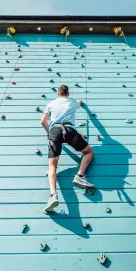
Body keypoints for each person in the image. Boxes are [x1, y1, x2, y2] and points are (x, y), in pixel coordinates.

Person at [41, 84, 94, 212]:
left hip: (55, 131)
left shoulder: (51, 104)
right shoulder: (73, 102)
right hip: (70, 131)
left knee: (52, 167)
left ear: (58, 94)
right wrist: (80, 102)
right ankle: (80, 175)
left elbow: (43, 121)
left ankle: (53, 195)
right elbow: (80, 102)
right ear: (68, 94)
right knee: (88, 152)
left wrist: (49, 133)